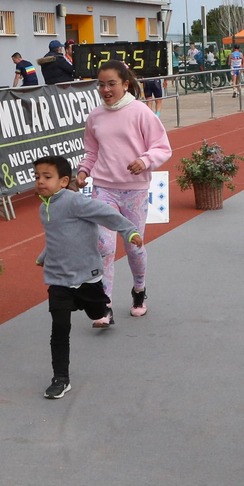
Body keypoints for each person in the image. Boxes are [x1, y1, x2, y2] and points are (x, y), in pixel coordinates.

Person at [33, 154, 143, 399]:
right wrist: (44, 257)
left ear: (63, 181)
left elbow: (105, 213)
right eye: (37, 176)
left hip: (87, 277)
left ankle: (99, 307)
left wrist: (129, 231)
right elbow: (56, 236)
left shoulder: (75, 202)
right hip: (59, 279)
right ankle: (60, 378)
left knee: (97, 312)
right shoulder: (44, 208)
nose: (40, 181)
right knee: (59, 329)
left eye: (47, 177)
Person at [75, 61, 172, 318]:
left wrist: (145, 160)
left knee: (134, 247)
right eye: (101, 84)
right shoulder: (95, 116)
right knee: (104, 246)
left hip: (134, 191)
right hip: (104, 189)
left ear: (125, 84)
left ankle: (139, 290)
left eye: (111, 84)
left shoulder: (141, 112)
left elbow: (162, 147)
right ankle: (103, 304)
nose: (105, 89)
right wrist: (84, 171)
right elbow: (92, 152)